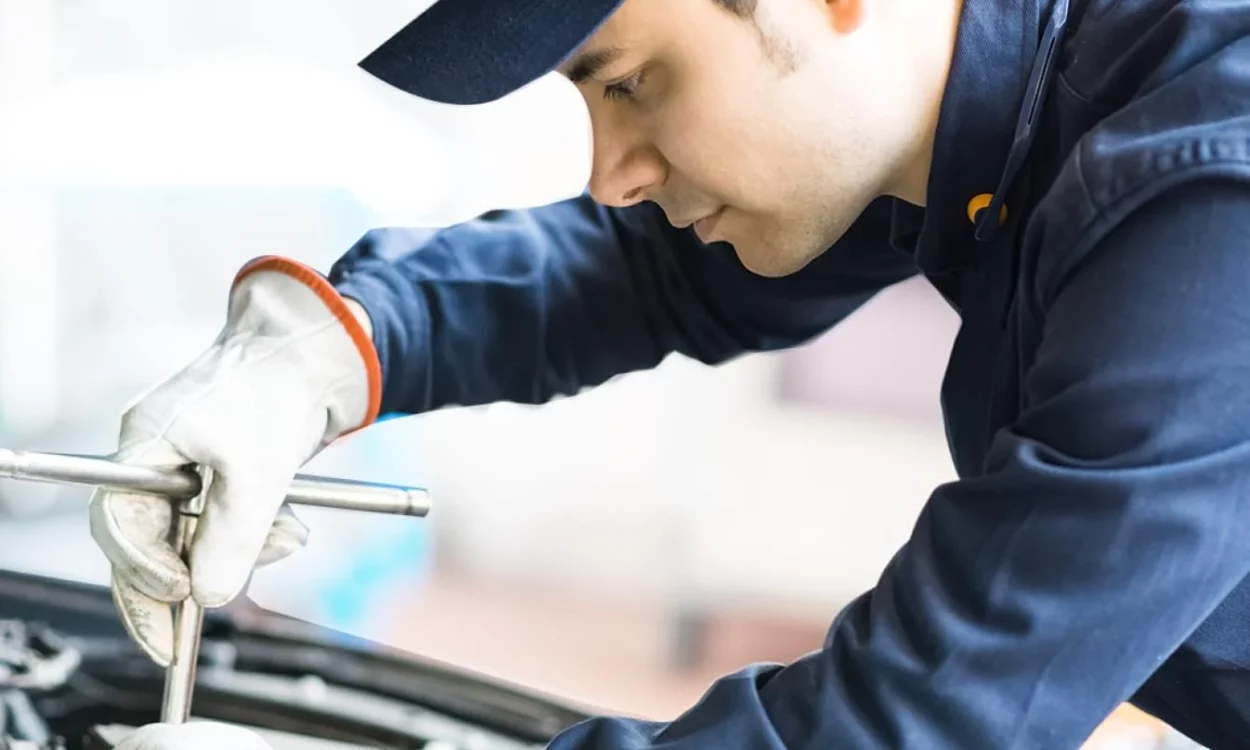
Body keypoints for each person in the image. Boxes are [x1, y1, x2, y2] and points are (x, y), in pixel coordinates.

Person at [98, 0, 1250, 746]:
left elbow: (915, 720)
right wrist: (317, 347)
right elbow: (645, 274)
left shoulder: (1206, 190)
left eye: (632, 82)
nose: (609, 171)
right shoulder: (1000, 103)